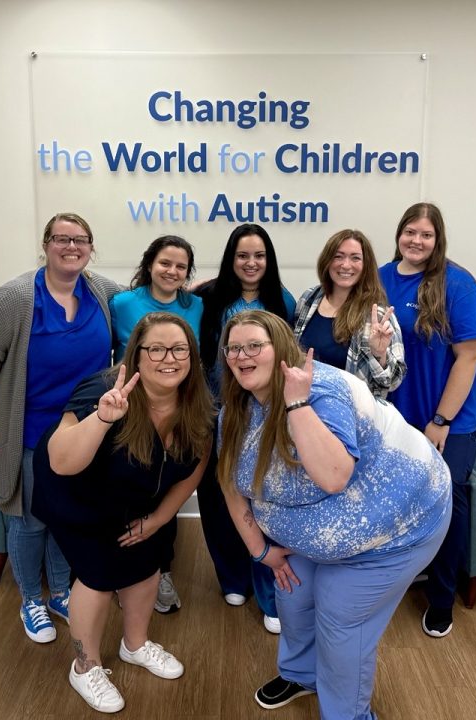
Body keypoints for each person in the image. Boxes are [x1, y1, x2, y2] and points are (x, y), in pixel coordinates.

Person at [217, 310, 451, 719]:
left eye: (255, 345)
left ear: (281, 348)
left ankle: (348, 715)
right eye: (234, 348)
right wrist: (260, 550)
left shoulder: (323, 391)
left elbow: (333, 476)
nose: (242, 355)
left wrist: (296, 404)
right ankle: (302, 675)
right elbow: (231, 482)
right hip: (312, 533)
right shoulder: (235, 410)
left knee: (339, 613)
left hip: (397, 529)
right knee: (292, 596)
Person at [32, 312, 213, 714]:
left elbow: (195, 464)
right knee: (98, 574)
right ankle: (85, 666)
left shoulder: (198, 398)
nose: (169, 358)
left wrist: (160, 518)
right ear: (136, 354)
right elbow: (61, 461)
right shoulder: (102, 390)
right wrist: (102, 418)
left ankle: (135, 645)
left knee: (147, 560)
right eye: (156, 349)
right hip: (79, 492)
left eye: (179, 349)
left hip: (139, 493)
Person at [0, 212, 122, 644]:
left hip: (82, 431)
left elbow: (148, 303)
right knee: (30, 521)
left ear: (91, 248)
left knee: (66, 516)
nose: (71, 247)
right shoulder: (15, 298)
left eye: (80, 239)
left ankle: (60, 593)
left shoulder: (102, 291)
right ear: (45, 244)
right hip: (27, 433)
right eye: (61, 239)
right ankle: (31, 598)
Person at [379, 202, 476, 639]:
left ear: (437, 239)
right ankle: (400, 580)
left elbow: (471, 356)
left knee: (447, 504)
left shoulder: (459, 285)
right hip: (397, 418)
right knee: (398, 500)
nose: (416, 241)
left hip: (451, 422)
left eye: (426, 234)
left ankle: (442, 600)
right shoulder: (382, 278)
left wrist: (441, 420)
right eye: (410, 231)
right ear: (399, 233)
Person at [195, 223, 296, 634]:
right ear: (230, 259)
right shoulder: (208, 297)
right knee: (218, 495)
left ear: (268, 260)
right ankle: (232, 578)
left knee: (262, 497)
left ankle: (268, 586)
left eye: (259, 255)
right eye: (242, 255)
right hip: (216, 411)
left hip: (265, 415)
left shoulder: (283, 301)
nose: (251, 263)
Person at [109, 235, 204, 613]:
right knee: (125, 491)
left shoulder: (196, 305)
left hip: (177, 409)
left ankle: (162, 570)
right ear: (150, 264)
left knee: (165, 491)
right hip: (130, 411)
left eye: (181, 266)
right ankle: (120, 574)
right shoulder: (121, 304)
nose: (172, 271)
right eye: (165, 263)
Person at [293, 228, 406, 398]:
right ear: (327, 261)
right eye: (338, 256)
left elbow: (392, 382)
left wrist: (380, 354)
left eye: (355, 258)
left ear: (366, 265)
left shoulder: (378, 315)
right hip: (304, 405)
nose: (346, 265)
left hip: (351, 410)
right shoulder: (309, 299)